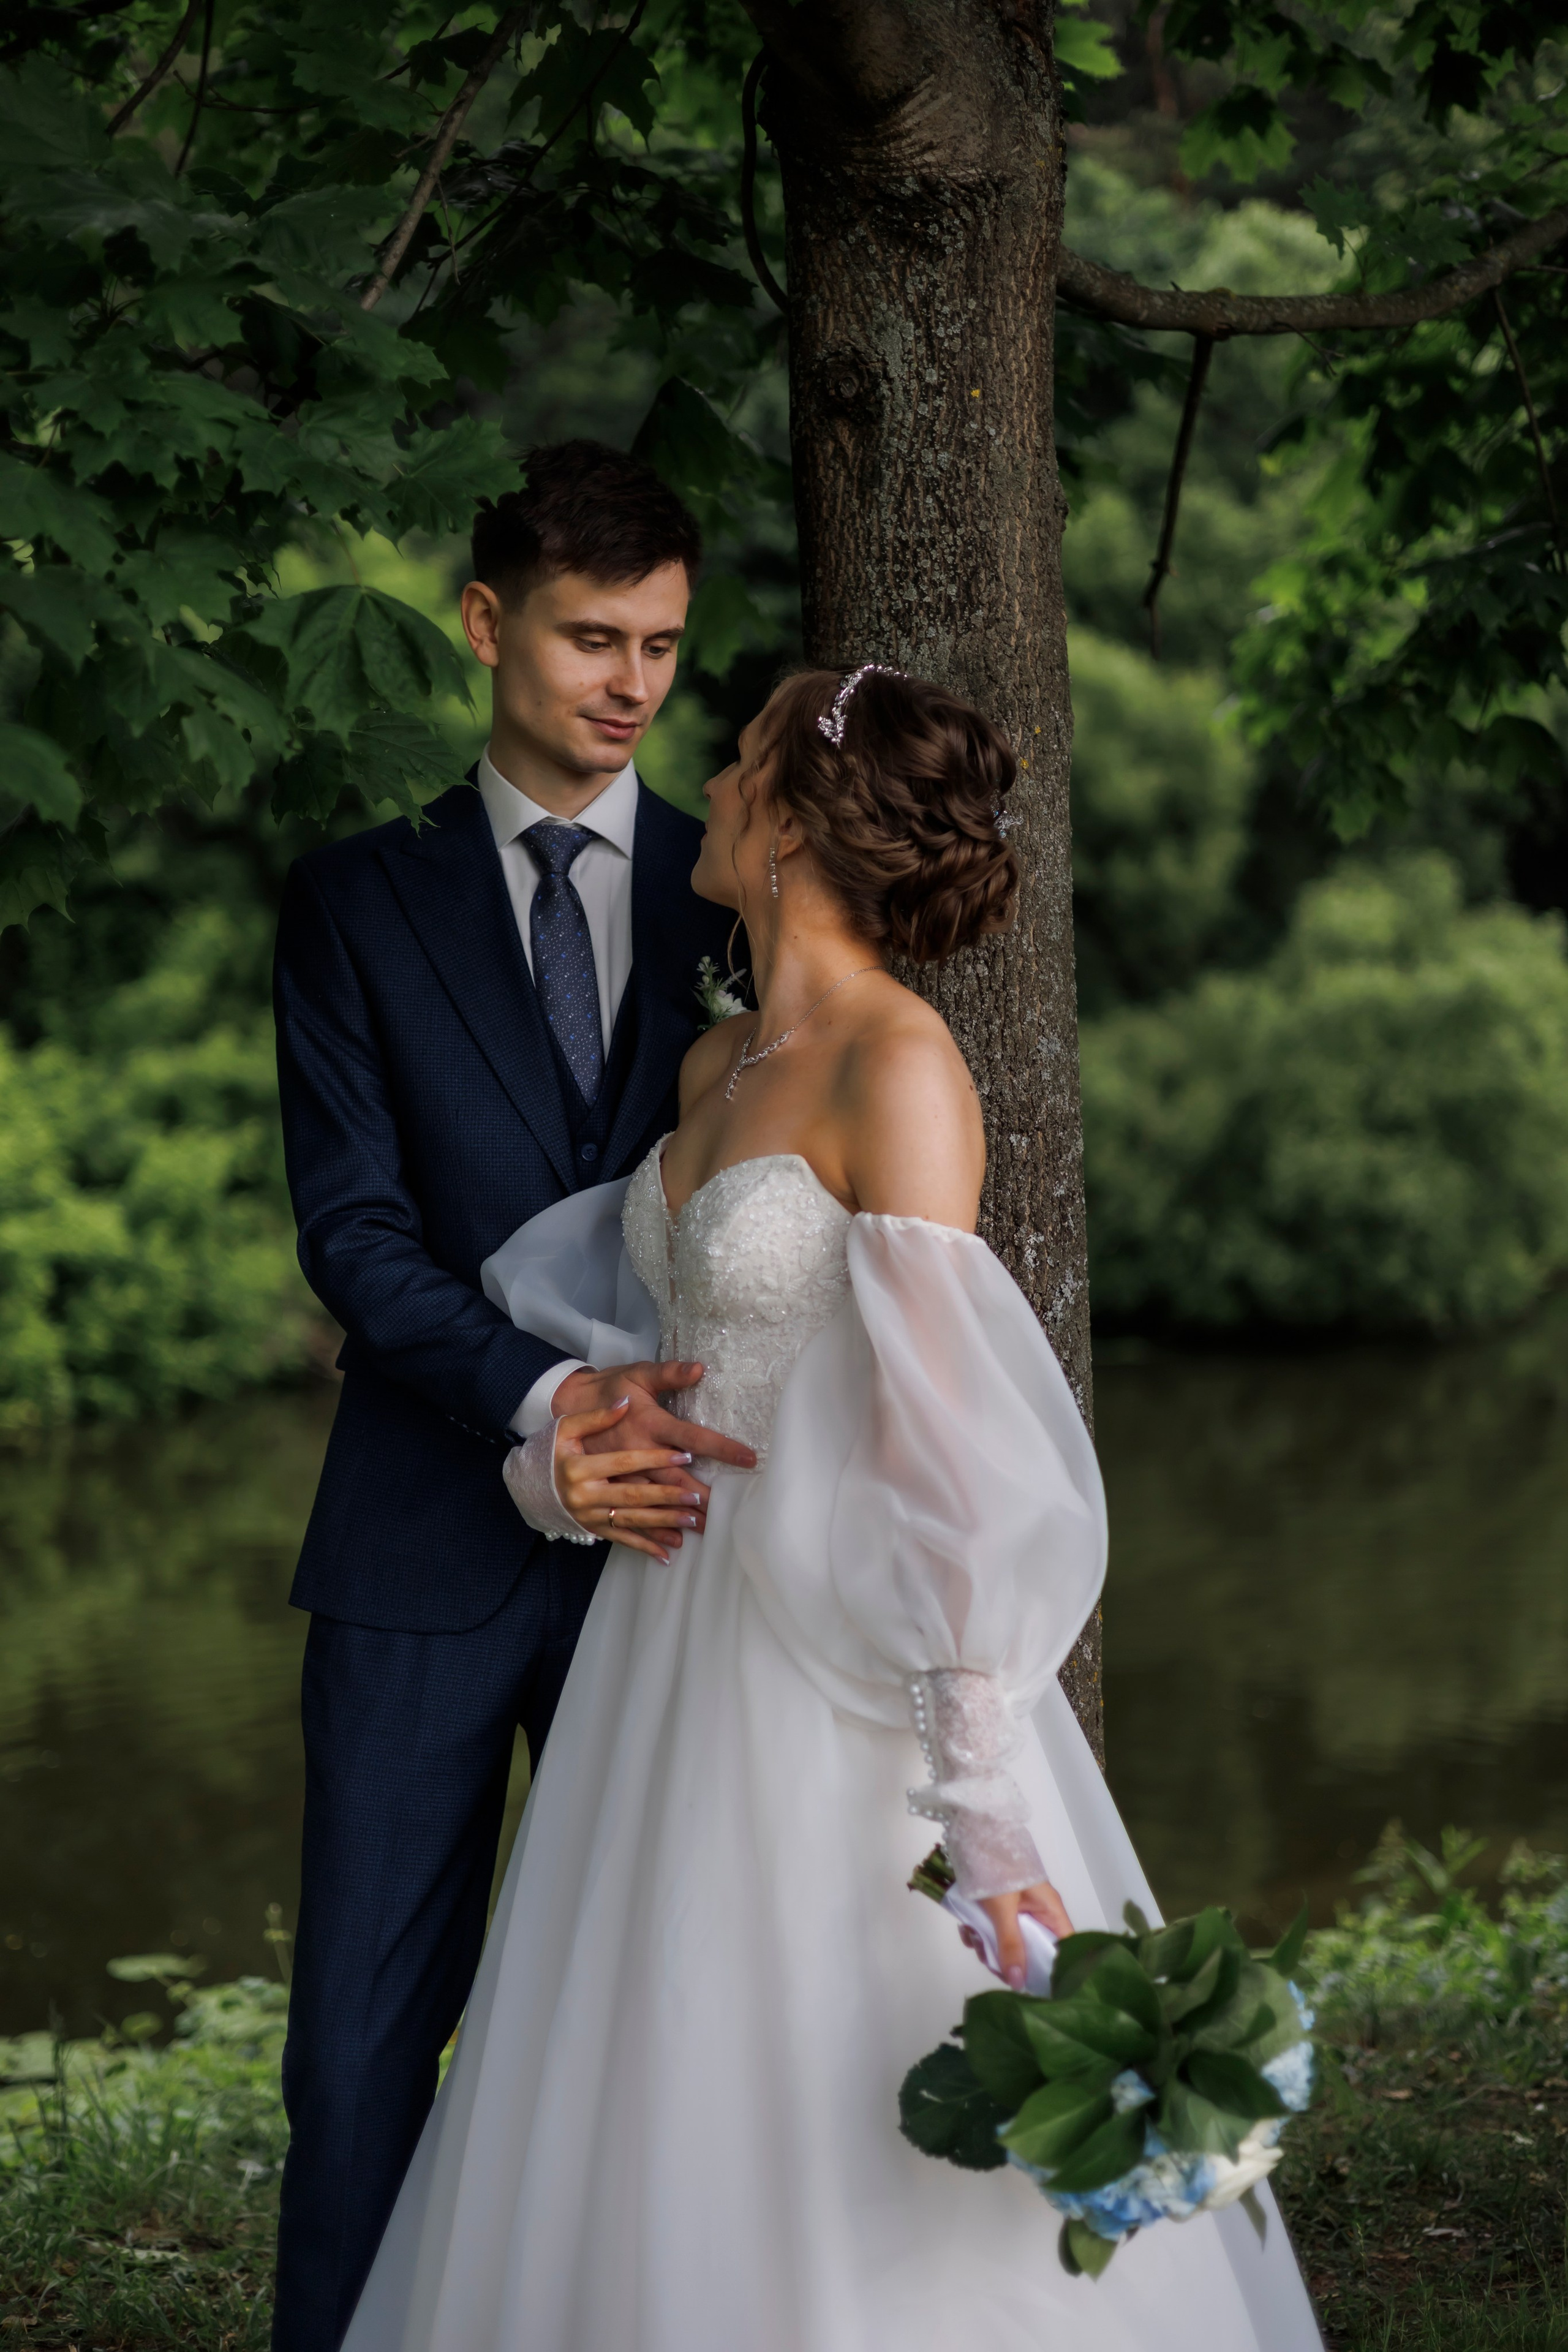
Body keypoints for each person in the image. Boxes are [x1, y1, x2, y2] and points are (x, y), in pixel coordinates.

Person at [339, 664, 1325, 2350]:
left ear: (792, 825)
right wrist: (562, 1449)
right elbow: (646, 1333)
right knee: (652, 2046)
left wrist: (979, 1780)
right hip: (669, 1636)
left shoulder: (903, 1068)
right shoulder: (721, 1057)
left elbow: (954, 1445)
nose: (710, 784)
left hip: (834, 1655)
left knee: (851, 2039)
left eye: (738, 767)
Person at [269, 441, 752, 2352]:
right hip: (420, 1554)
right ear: (488, 624)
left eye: (660, 644)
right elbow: (355, 1236)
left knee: (662, 2050)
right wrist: (553, 1408)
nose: (628, 682)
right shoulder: (353, 907)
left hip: (689, 1563)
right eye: (587, 637)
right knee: (362, 2054)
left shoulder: (741, 896)